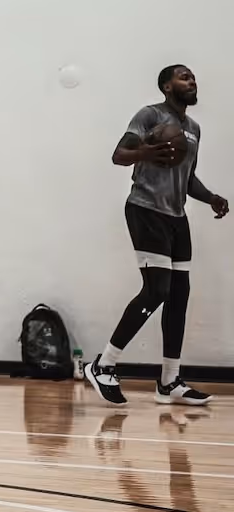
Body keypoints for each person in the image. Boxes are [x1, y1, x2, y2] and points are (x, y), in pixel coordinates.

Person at [84, 65, 228, 406]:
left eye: (192, 77)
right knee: (156, 290)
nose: (191, 81)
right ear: (167, 86)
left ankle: (169, 382)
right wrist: (145, 153)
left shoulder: (193, 129)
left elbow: (188, 177)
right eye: (183, 76)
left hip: (177, 216)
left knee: (179, 295)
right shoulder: (150, 115)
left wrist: (212, 198)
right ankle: (103, 365)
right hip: (146, 209)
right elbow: (120, 155)